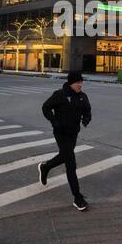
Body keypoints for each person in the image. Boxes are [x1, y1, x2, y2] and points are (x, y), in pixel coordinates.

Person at [38, 71, 92, 211]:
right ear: (71, 83)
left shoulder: (82, 97)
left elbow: (87, 110)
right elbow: (45, 107)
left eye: (81, 82)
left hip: (73, 134)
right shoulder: (60, 94)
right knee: (71, 163)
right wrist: (54, 121)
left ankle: (46, 167)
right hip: (61, 133)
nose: (80, 84)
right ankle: (77, 198)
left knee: (64, 156)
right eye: (78, 82)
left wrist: (86, 118)